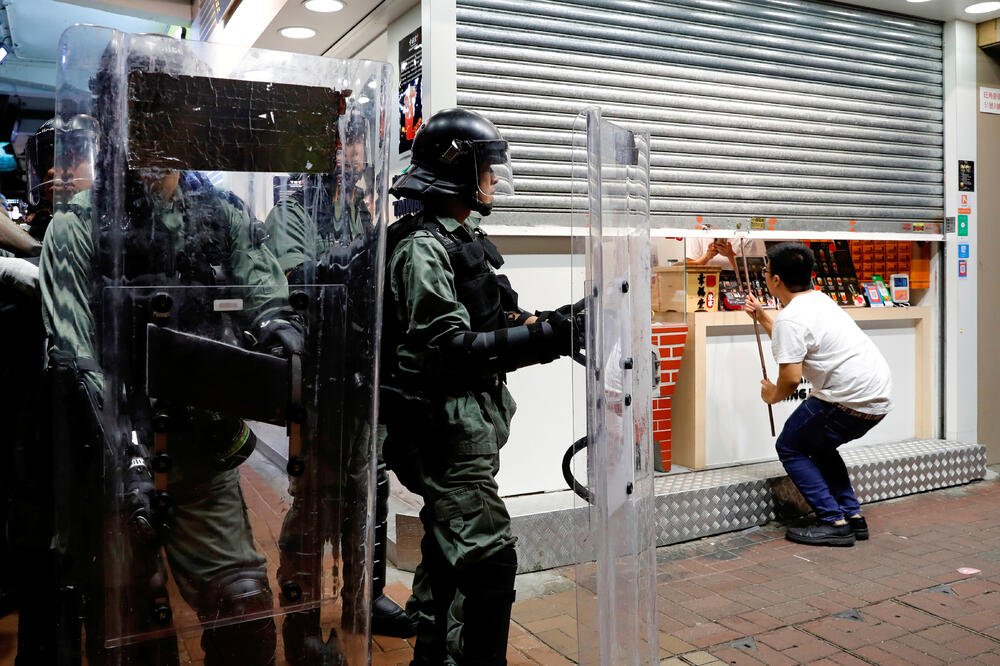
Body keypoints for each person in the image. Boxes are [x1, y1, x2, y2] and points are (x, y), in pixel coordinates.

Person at [381, 107, 579, 666]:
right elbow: (449, 349)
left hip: (469, 421)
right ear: (459, 172)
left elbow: (502, 324)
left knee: (450, 550)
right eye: (488, 168)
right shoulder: (422, 248)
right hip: (441, 425)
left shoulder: (465, 238)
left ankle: (432, 654)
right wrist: (550, 337)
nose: (495, 180)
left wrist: (565, 323)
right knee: (490, 559)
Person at [265, 110, 416, 660]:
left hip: (363, 376)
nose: (352, 156)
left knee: (368, 491)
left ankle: (362, 601)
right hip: (323, 382)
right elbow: (299, 282)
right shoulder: (294, 212)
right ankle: (302, 621)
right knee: (314, 504)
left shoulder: (364, 212)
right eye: (342, 145)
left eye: (359, 146)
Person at [743, 242, 892, 547]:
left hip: (847, 401)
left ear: (776, 280)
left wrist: (772, 395)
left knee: (790, 446)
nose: (766, 275)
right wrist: (761, 316)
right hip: (877, 397)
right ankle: (852, 518)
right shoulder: (819, 301)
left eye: (766, 270)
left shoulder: (791, 318)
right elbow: (794, 340)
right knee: (821, 447)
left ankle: (833, 522)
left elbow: (791, 377)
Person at [686, 236, 766, 270]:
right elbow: (687, 268)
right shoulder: (697, 233)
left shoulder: (746, 237)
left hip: (737, 288)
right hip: (702, 284)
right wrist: (707, 256)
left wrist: (731, 255)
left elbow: (751, 271)